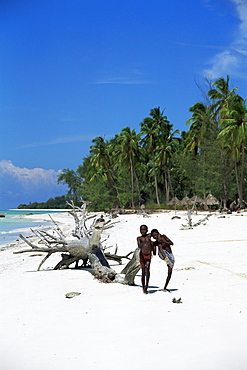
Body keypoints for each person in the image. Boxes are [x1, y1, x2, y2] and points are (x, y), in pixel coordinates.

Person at [137, 225, 156, 294]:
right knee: (143, 271)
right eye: (142, 230)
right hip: (142, 255)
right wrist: (145, 240)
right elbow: (139, 246)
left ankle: (147, 285)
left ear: (147, 230)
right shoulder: (139, 238)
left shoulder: (149, 236)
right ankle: (143, 286)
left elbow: (155, 233)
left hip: (148, 255)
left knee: (147, 269)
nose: (143, 231)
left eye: (144, 229)